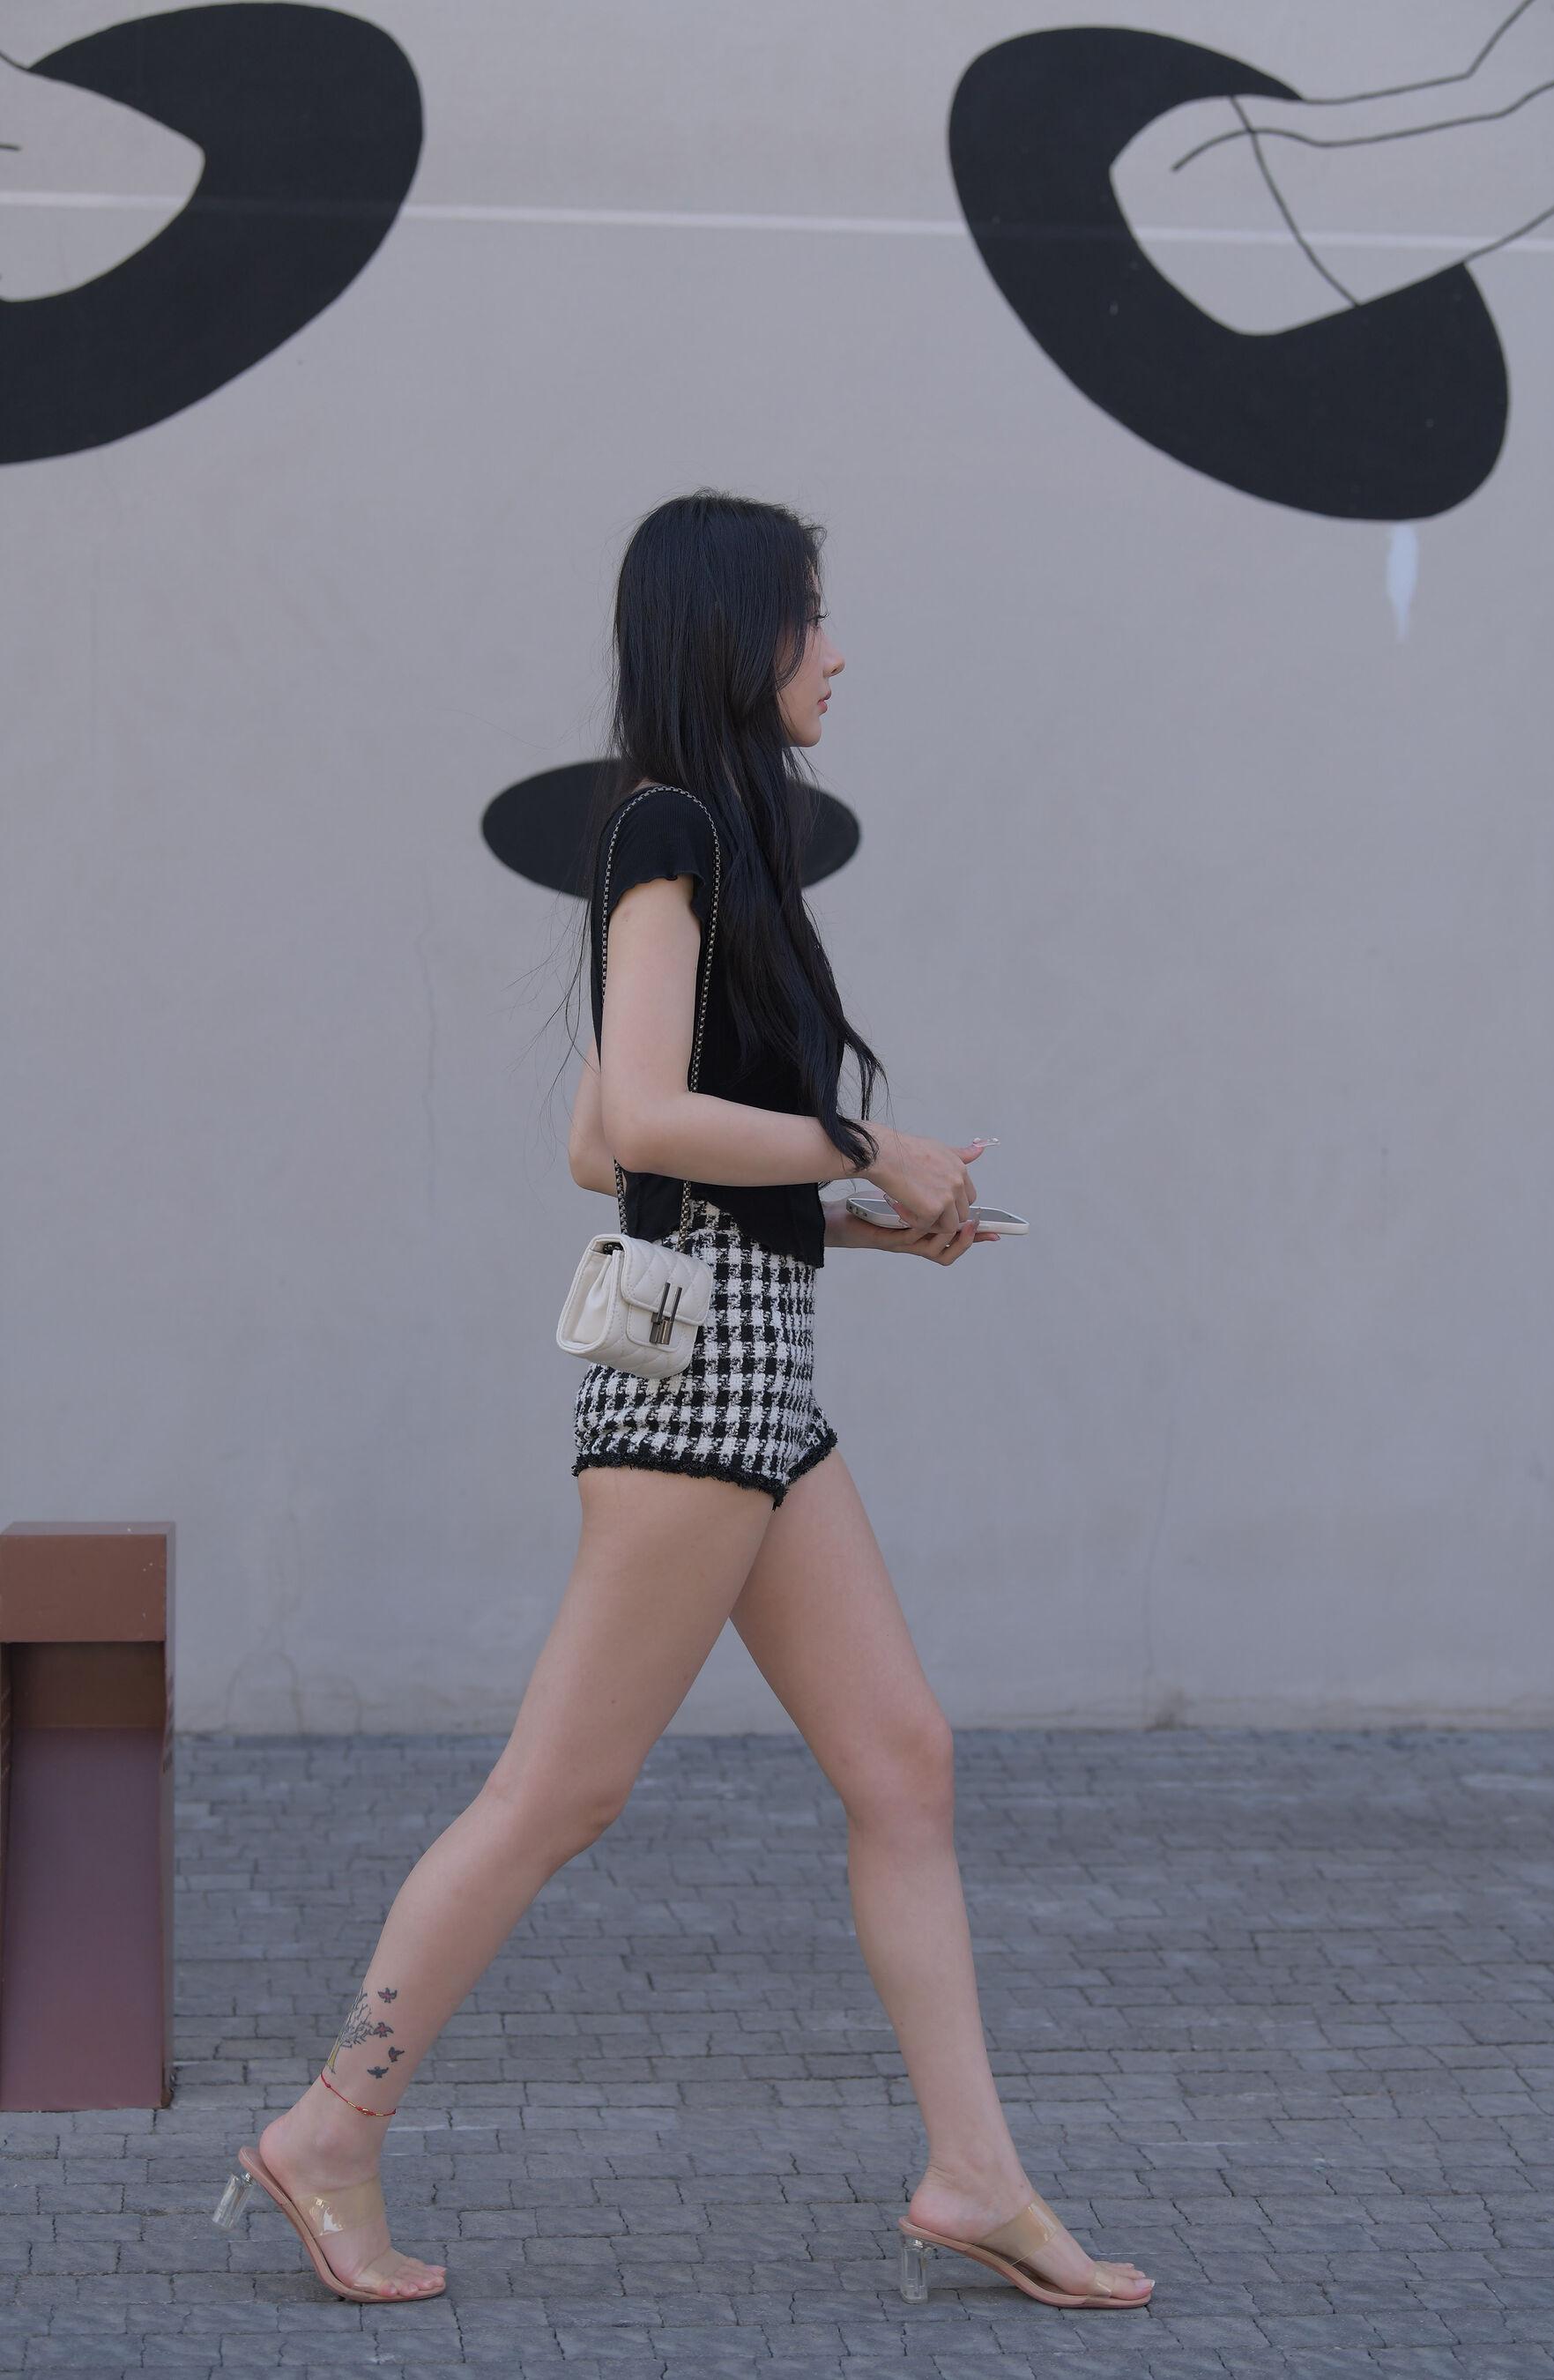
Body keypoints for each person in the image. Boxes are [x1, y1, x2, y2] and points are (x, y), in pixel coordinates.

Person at [211, 489, 1155, 2316]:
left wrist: (867, 1226)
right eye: (812, 618)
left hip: (755, 1362)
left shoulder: (716, 835)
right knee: (559, 1792)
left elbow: (603, 1142)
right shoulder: (671, 829)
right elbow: (642, 1122)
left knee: (904, 1763)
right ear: (736, 633)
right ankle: (329, 2128)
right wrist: (868, 1144)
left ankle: (975, 2175)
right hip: (703, 1383)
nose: (838, 653)